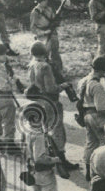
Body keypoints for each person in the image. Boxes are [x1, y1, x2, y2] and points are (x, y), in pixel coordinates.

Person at [19, 99, 72, 191]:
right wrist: (55, 159)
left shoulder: (26, 131)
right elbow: (40, 157)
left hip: (32, 171)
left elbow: (24, 152)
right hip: (44, 172)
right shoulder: (39, 135)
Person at [27, 42, 78, 171]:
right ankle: (61, 159)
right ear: (45, 53)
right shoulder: (45, 67)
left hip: (38, 101)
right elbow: (51, 88)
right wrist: (64, 86)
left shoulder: (31, 65)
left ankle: (48, 157)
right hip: (50, 102)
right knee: (57, 131)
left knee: (45, 130)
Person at [77, 56, 105, 179]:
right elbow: (101, 108)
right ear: (102, 71)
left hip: (86, 115)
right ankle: (101, 172)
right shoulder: (97, 86)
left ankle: (88, 171)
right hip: (97, 116)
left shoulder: (83, 80)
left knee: (90, 143)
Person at [29, 0, 64, 78]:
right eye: (44, 0)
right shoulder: (35, 12)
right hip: (43, 36)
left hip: (52, 33)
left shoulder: (49, 9)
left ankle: (58, 72)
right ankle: (41, 73)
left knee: (55, 52)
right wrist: (44, 33)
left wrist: (57, 19)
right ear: (39, 1)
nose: (46, 2)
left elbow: (54, 19)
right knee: (43, 55)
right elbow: (33, 28)